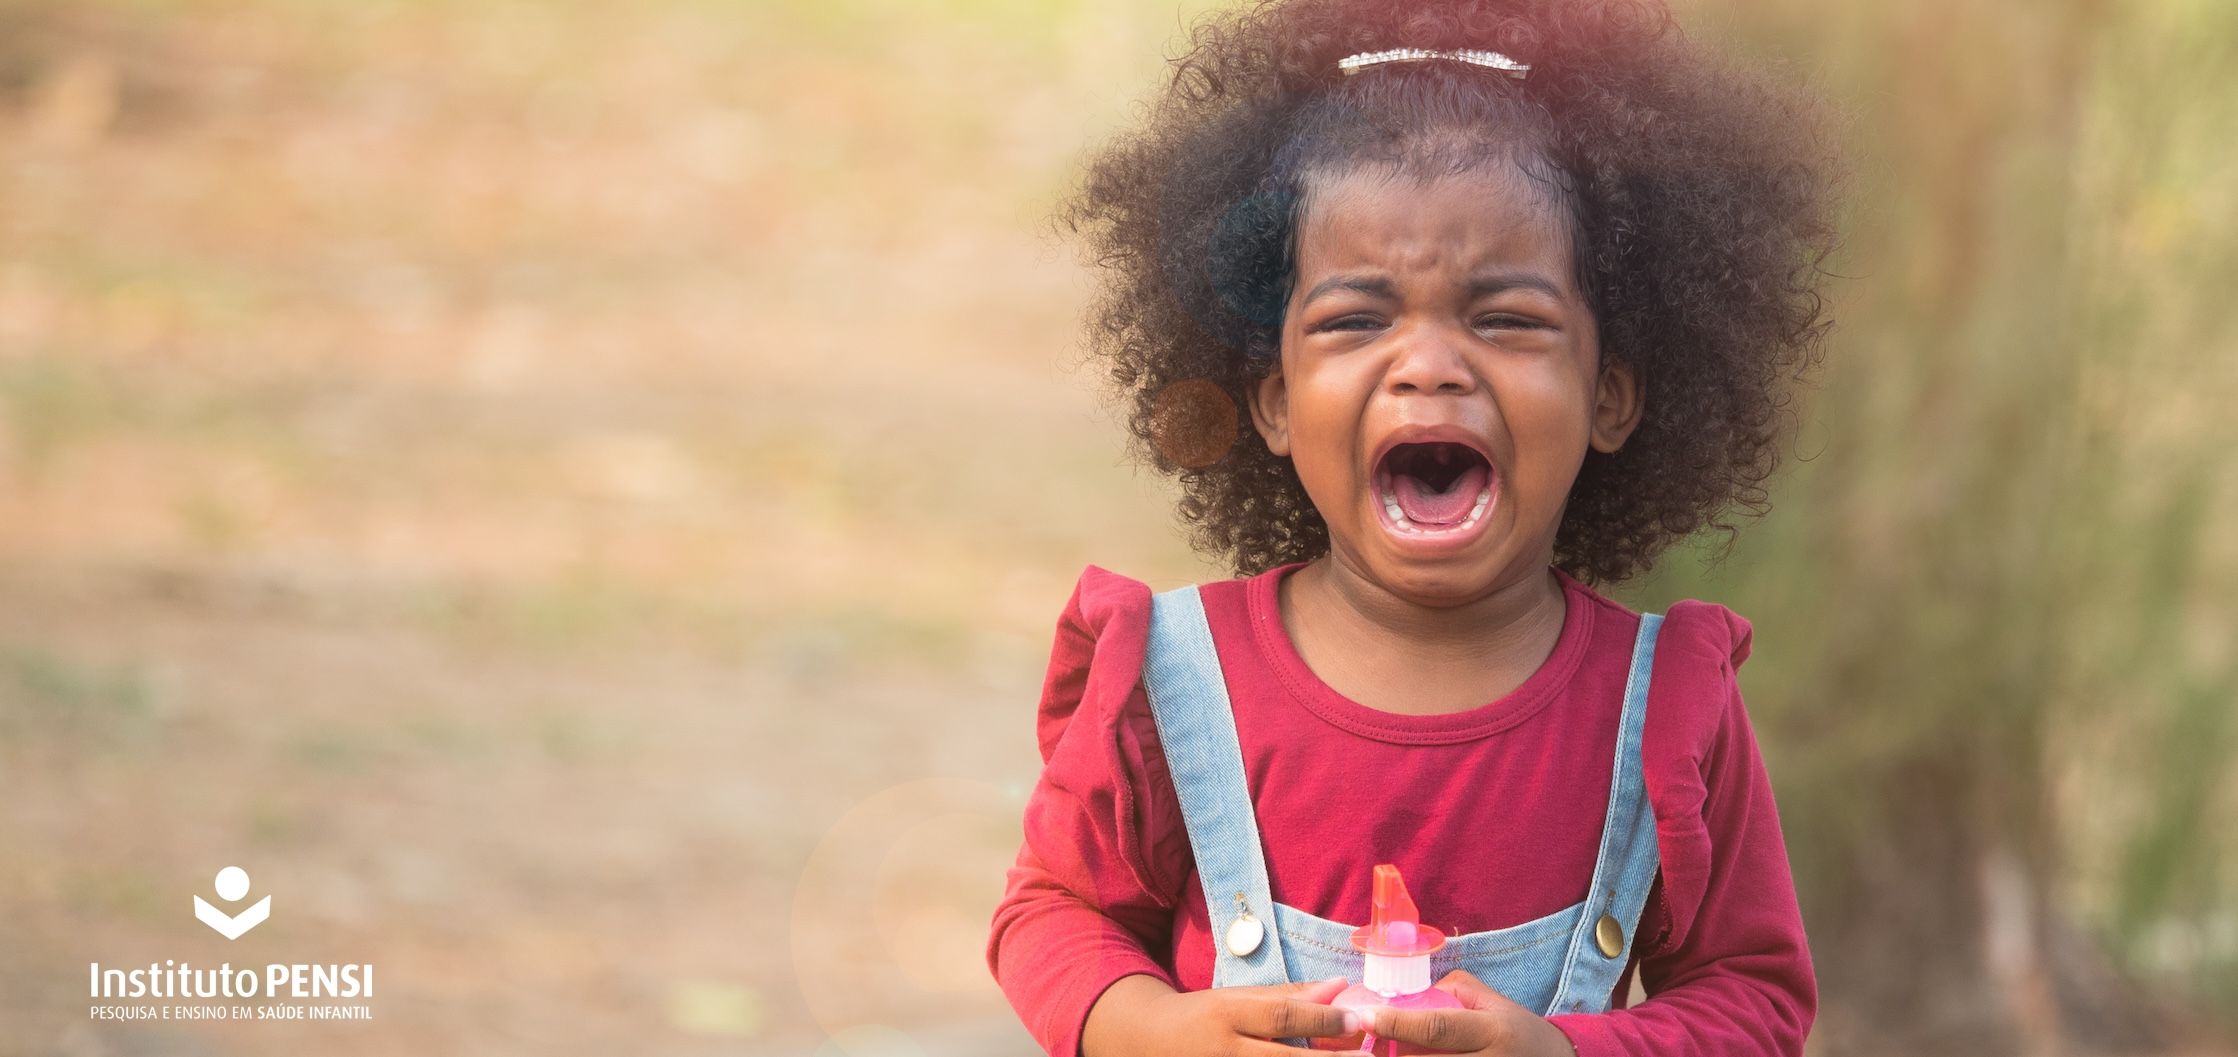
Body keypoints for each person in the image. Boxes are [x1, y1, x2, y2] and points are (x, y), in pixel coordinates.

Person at [986, 1, 1842, 1054]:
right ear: (1274, 401)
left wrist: (1568, 1049)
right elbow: (1053, 913)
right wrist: (1150, 1029)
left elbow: (1751, 996)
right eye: (1355, 319)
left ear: (1612, 395)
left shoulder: (1664, 707)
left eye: (1506, 318)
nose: (1429, 363)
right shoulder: (1171, 680)